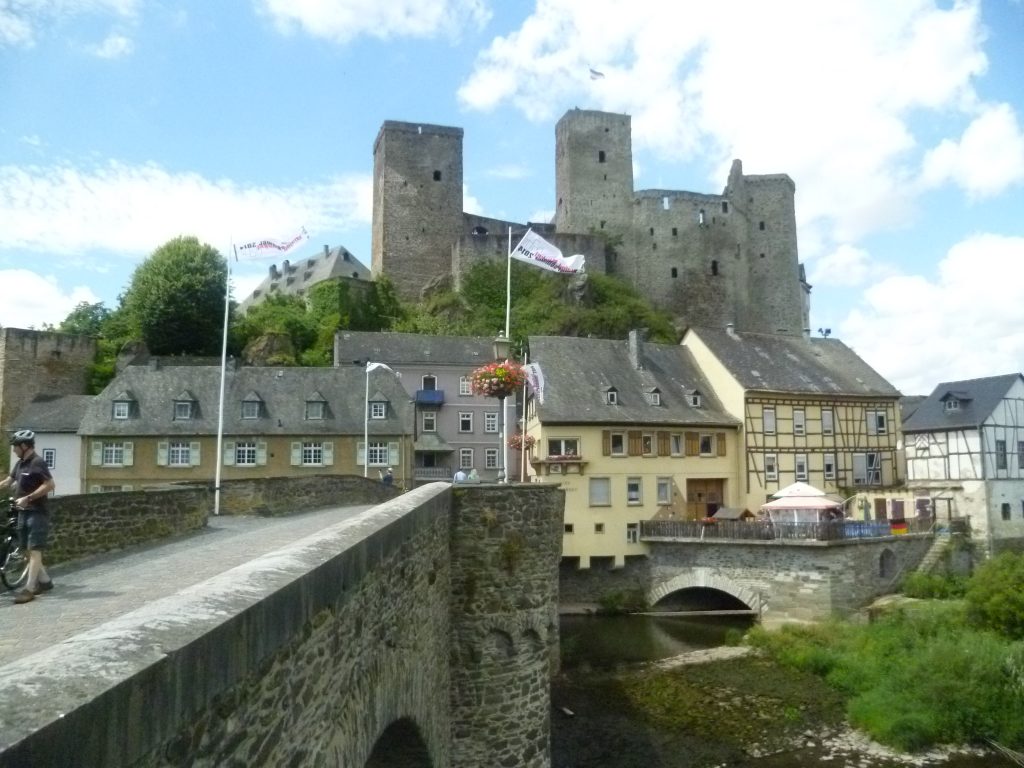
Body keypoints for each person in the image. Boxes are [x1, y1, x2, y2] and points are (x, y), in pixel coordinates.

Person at [0, 430, 56, 604]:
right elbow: (7, 482)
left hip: (37, 512)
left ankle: (29, 588)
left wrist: (29, 498)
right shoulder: (20, 464)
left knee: (34, 549)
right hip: (22, 512)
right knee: (25, 549)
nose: (14, 450)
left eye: (15, 446)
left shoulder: (37, 463)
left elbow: (50, 485)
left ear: (24, 446)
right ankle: (45, 581)